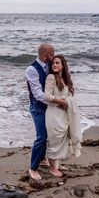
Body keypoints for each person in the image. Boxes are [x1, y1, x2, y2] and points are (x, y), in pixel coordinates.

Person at [25, 43, 67, 180]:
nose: (53, 56)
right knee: (41, 137)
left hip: (51, 107)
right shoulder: (32, 70)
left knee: (51, 136)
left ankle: (44, 159)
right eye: (51, 54)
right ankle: (33, 168)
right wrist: (59, 102)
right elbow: (38, 94)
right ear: (44, 55)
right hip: (38, 107)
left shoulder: (50, 65)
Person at [44, 54, 82, 177]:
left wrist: (67, 102)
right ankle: (52, 168)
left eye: (57, 63)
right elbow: (47, 96)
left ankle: (56, 164)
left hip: (64, 114)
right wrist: (62, 102)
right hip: (54, 114)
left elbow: (70, 96)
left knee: (63, 139)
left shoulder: (67, 80)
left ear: (63, 65)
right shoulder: (51, 77)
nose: (54, 65)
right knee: (54, 139)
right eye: (53, 63)